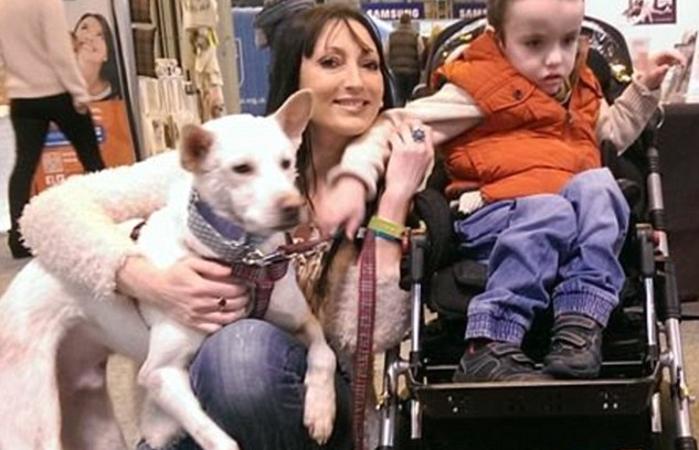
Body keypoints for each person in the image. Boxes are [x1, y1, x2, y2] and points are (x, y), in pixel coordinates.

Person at [19, 4, 432, 449]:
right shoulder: (225, 156)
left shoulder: (402, 165)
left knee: (240, 353)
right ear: (294, 76)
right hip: (195, 404)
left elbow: (370, 335)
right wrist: (147, 280)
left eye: (370, 64)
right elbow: (47, 213)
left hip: (324, 406)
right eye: (331, 62)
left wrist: (391, 204)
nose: (356, 81)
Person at [316, 0, 686, 382]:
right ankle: (489, 341)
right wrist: (352, 180)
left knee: (600, 185)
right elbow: (393, 126)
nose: (555, 60)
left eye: (568, 40)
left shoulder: (581, 88)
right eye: (534, 43)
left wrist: (644, 89)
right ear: (499, 39)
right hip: (494, 218)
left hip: (569, 222)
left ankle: (580, 322)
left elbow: (610, 136)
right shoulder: (478, 89)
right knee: (551, 210)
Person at [0, 0, 106, 258]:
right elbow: (60, 52)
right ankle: (111, 220)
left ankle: (18, 238)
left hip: (23, 97)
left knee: (24, 166)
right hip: (58, 93)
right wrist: (79, 92)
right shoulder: (47, 2)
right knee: (92, 160)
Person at [73, 13, 122, 101]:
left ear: (106, 55)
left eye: (100, 35)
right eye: (84, 28)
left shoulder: (120, 95)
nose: (89, 37)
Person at [386, 13, 423, 105]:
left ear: (400, 22)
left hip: (396, 70)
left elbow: (386, 52)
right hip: (413, 71)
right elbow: (421, 52)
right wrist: (420, 67)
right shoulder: (415, 35)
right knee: (411, 96)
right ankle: (410, 110)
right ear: (410, 22)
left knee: (399, 96)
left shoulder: (392, 36)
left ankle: (400, 110)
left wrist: (389, 65)